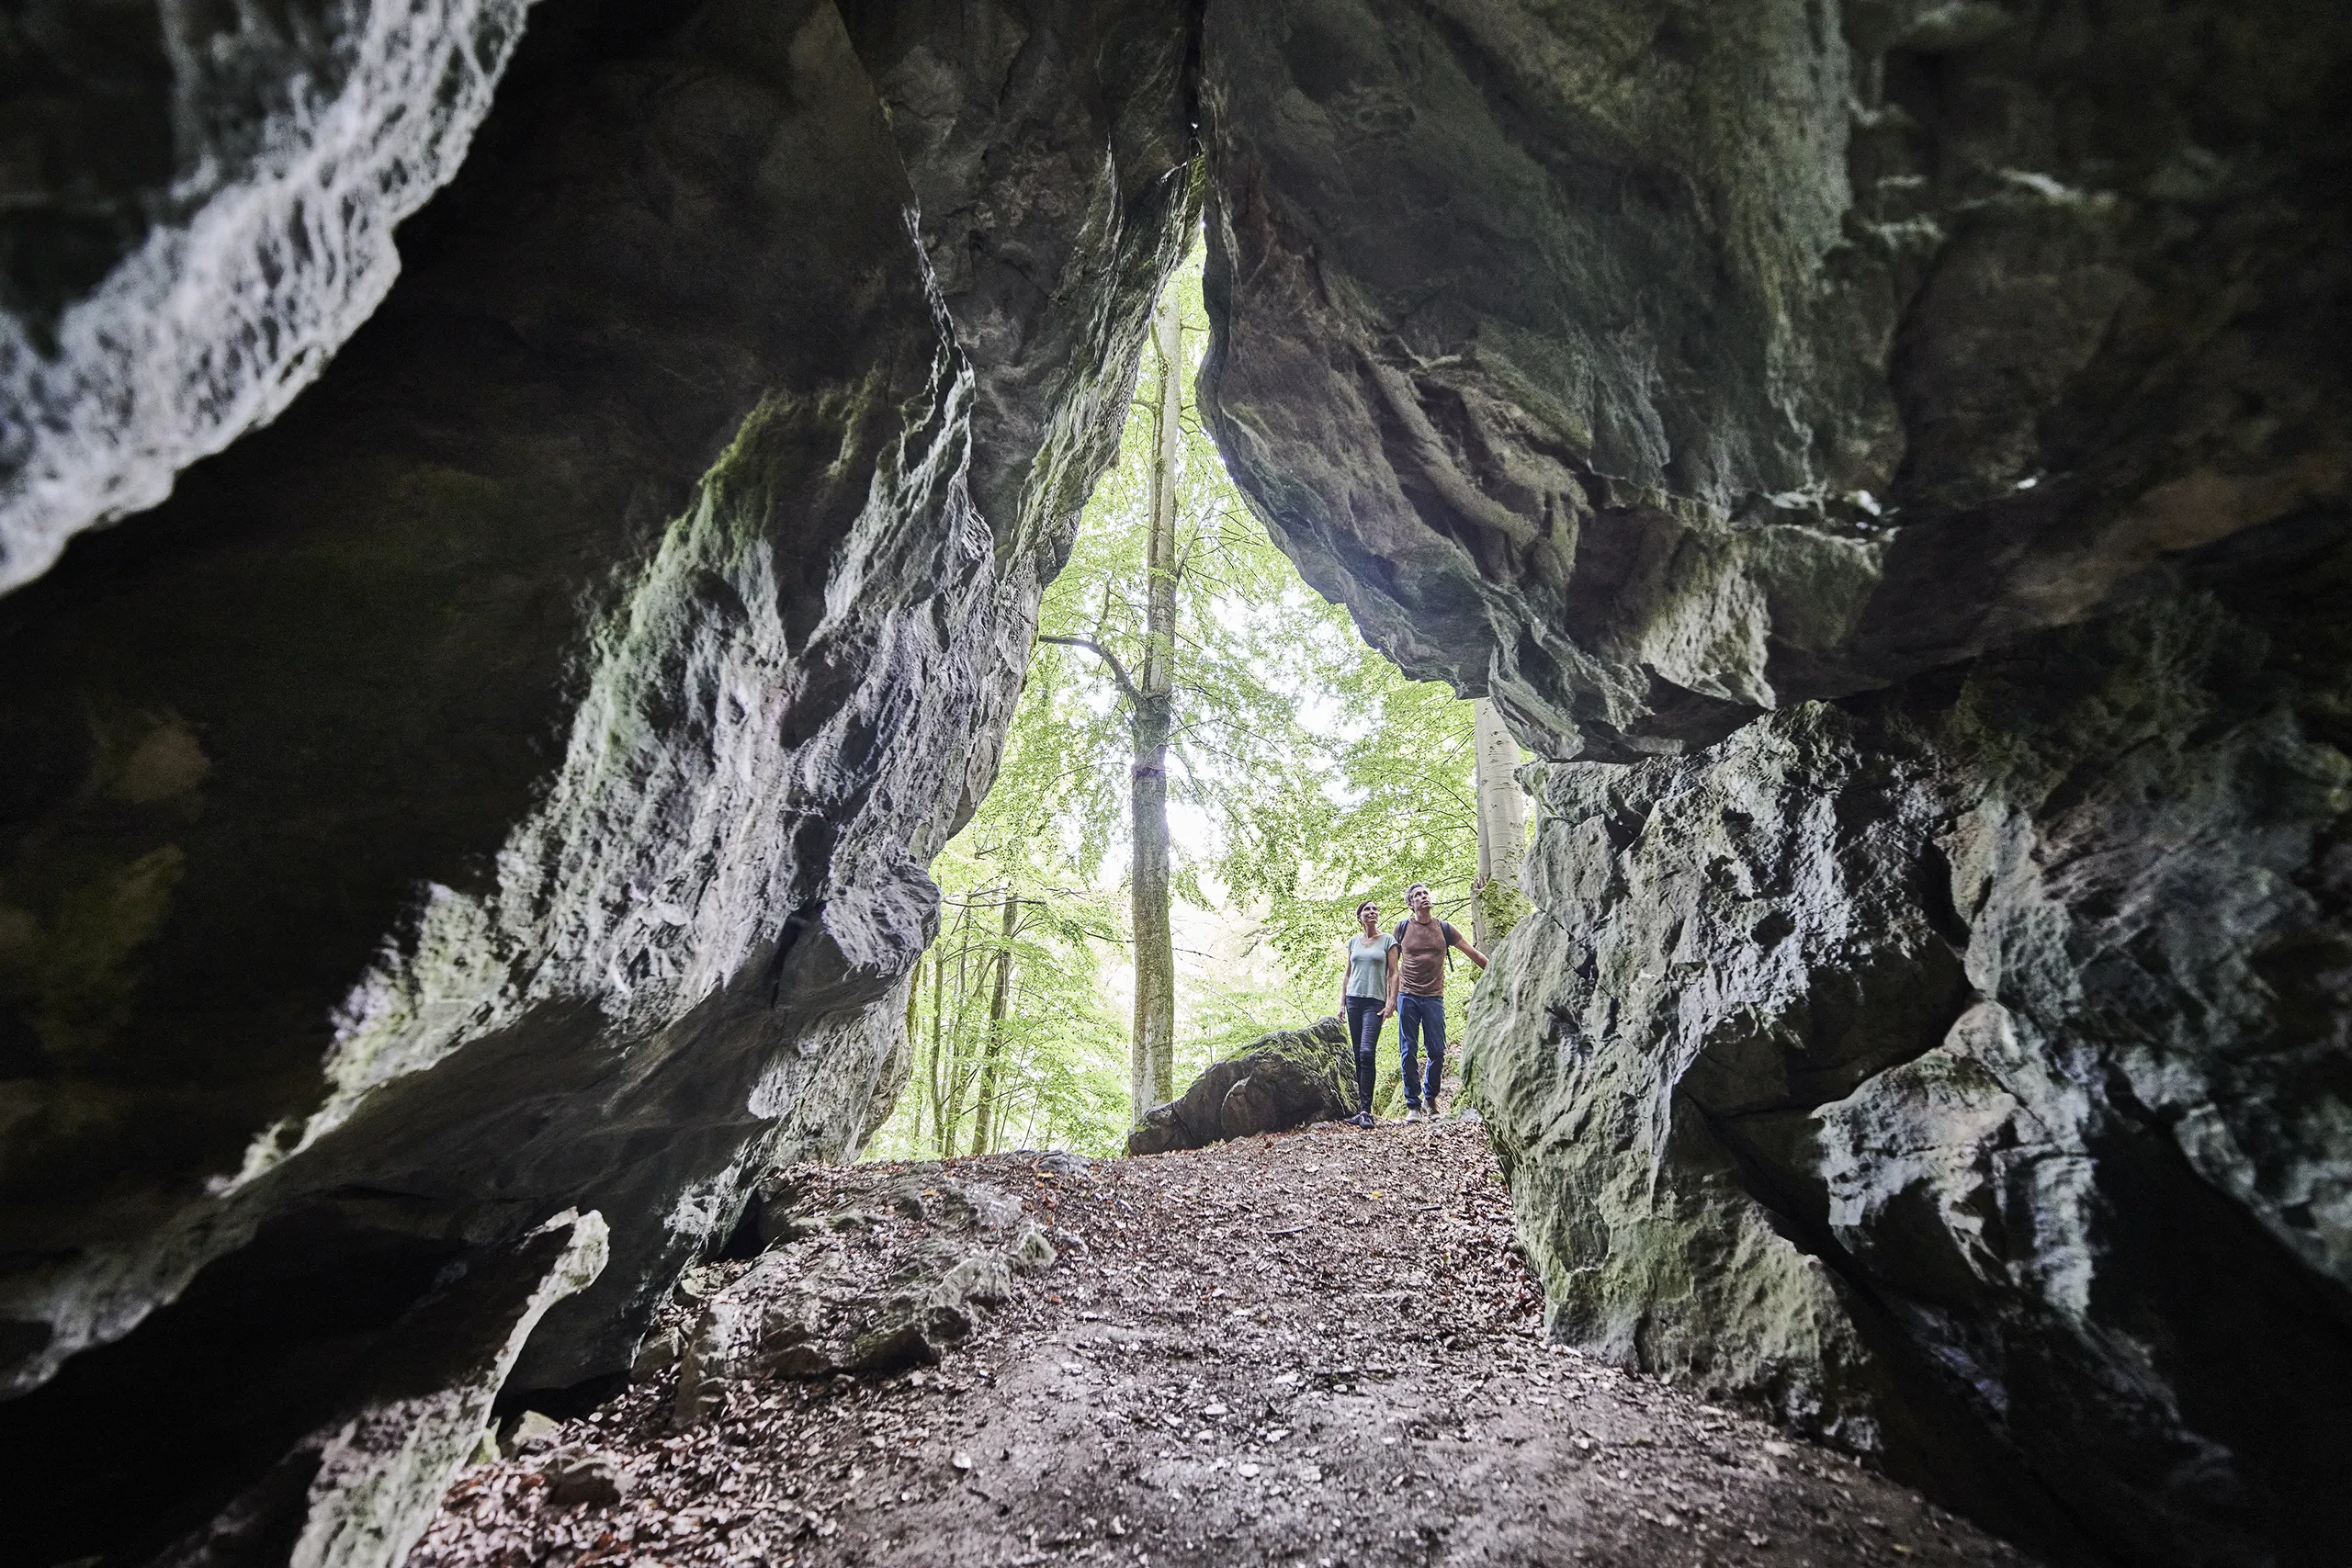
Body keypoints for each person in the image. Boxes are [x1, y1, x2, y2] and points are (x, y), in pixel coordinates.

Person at [1384, 882, 1486, 1121]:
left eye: (1425, 893)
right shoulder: (1401, 929)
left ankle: (1430, 1099)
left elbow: (1474, 954)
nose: (1423, 897)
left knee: (1437, 1051)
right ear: (1411, 904)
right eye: (1418, 895)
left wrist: (1500, 972)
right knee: (1408, 1050)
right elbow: (1390, 969)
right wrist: (1390, 999)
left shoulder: (1445, 929)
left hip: (1434, 997)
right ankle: (1413, 1105)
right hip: (1407, 996)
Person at [1339, 899, 1397, 1127]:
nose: (1372, 912)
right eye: (1367, 910)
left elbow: (1394, 973)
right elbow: (1347, 974)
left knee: (1366, 1052)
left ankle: (1366, 1110)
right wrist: (1342, 1004)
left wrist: (1391, 1001)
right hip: (1354, 1001)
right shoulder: (1353, 942)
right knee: (1356, 1055)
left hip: (1375, 1002)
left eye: (1375, 909)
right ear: (1359, 917)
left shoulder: (1388, 941)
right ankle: (1360, 1110)